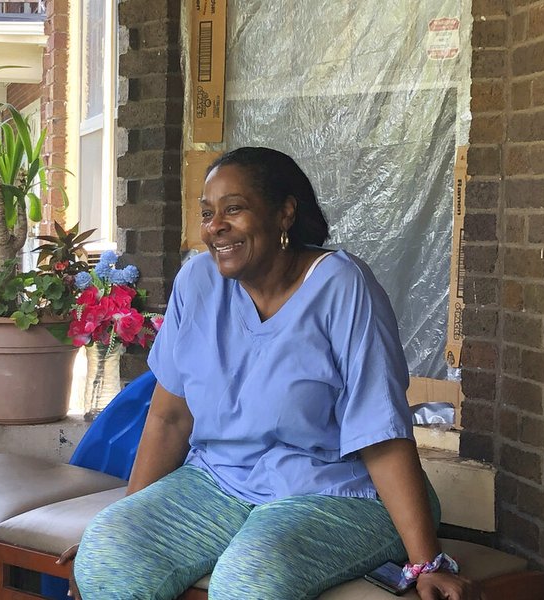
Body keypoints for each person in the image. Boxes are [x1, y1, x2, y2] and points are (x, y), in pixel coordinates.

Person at [61, 147, 483, 600]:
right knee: (110, 551)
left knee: (249, 582)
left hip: (335, 492)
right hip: (218, 481)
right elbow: (170, 419)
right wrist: (136, 518)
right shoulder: (197, 283)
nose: (215, 227)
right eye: (207, 213)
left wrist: (427, 561)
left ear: (284, 213)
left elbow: (379, 431)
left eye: (234, 209)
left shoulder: (342, 287)